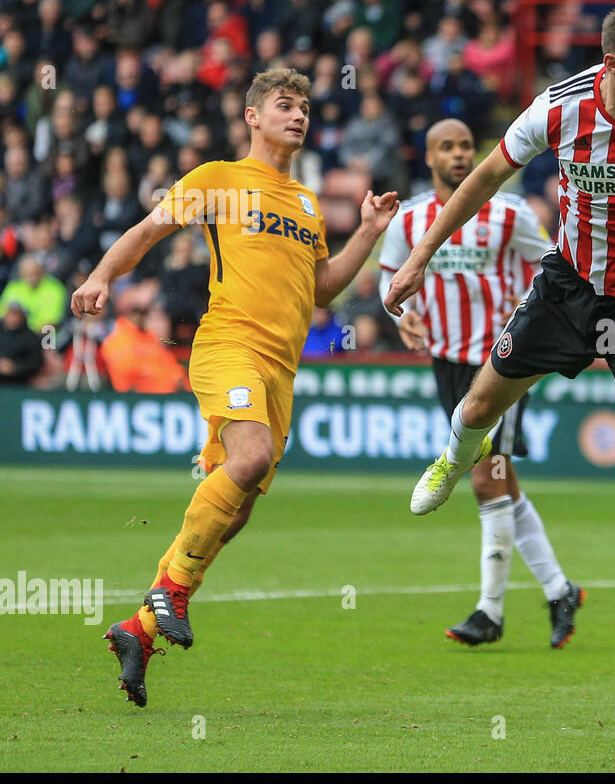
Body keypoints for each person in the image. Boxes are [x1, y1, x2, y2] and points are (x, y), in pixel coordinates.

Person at [384, 1, 615, 689]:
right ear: (612, 65)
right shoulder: (557, 108)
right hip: (566, 291)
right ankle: (454, 458)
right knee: (480, 406)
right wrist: (421, 254)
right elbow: (485, 177)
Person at [72, 67, 401, 708]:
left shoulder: (306, 204)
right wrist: (100, 277)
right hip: (228, 345)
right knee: (247, 461)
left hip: (281, 369)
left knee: (241, 503)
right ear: (252, 116)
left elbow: (322, 288)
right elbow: (148, 231)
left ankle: (137, 629)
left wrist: (367, 230)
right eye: (285, 104)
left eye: (305, 106)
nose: (299, 115)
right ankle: (170, 593)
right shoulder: (219, 180)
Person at [379, 118, 584, 649]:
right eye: (446, 147)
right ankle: (560, 589)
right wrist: (401, 314)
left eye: (466, 145)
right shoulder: (412, 218)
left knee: (486, 477)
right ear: (429, 157)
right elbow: (390, 274)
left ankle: (489, 612)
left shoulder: (510, 214)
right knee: (502, 482)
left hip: (501, 363)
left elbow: (551, 268)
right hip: (447, 360)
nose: (458, 154)